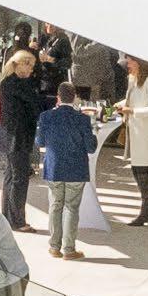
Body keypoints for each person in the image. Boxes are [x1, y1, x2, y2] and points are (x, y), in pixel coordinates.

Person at [37, 85, 98, 260]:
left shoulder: (46, 116)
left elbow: (40, 142)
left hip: (54, 168)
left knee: (55, 205)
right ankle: (69, 249)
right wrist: (93, 133)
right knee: (71, 207)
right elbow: (91, 147)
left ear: (58, 97)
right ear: (75, 98)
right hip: (76, 169)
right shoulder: (83, 119)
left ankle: (54, 247)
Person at [0, 48, 48, 236]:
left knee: (11, 176)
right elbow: (35, 104)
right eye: (29, 65)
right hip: (17, 136)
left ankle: (9, 217)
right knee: (19, 178)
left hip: (13, 135)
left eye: (32, 65)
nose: (31, 69)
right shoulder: (16, 84)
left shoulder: (9, 82)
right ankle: (17, 220)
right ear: (18, 64)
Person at [119, 55, 148, 226]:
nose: (127, 63)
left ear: (139, 62)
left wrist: (132, 111)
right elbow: (132, 99)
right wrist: (121, 105)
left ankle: (146, 209)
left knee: (140, 169)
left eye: (130, 60)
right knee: (138, 169)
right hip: (138, 133)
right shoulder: (134, 78)